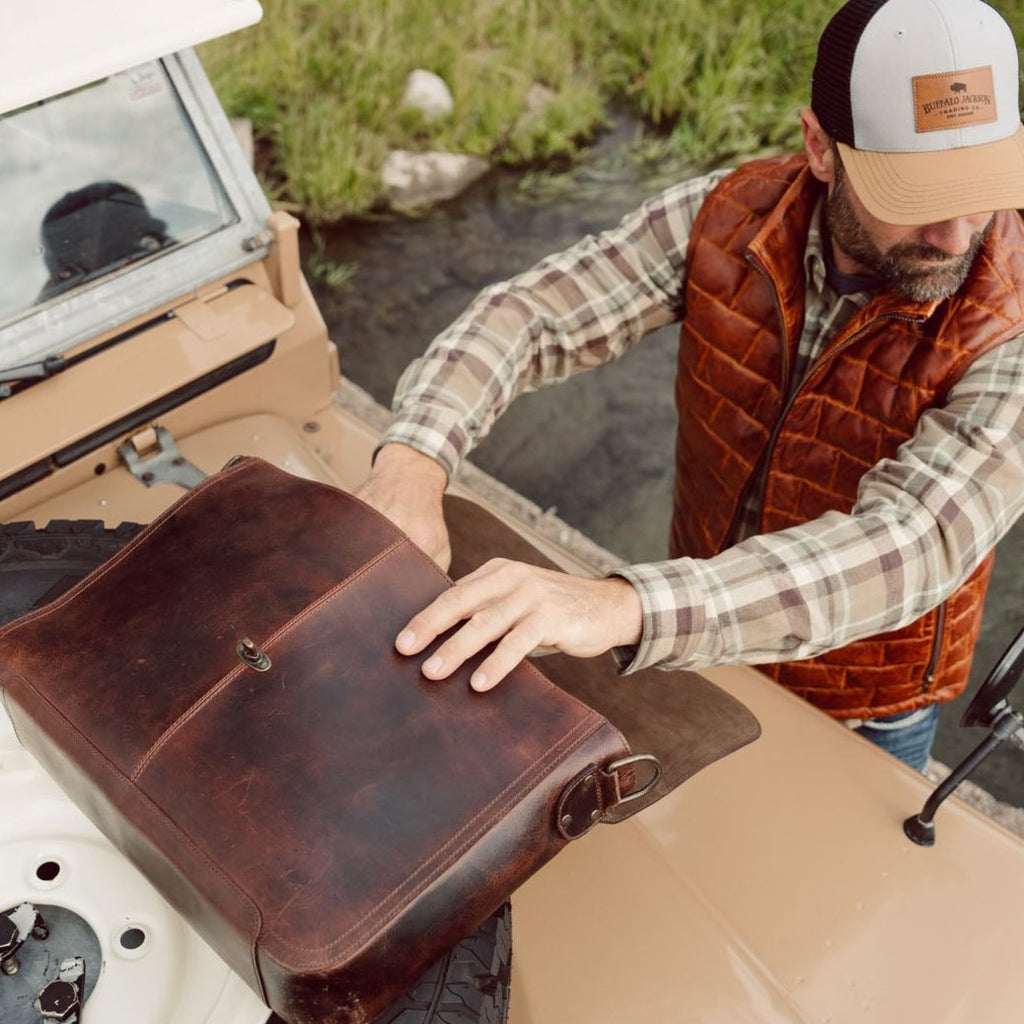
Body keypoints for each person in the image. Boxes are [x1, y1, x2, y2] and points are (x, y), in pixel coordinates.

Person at [356, 0, 1024, 772]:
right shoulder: (726, 215)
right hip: (696, 648)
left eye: (979, 185)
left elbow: (913, 543)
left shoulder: (1012, 324)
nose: (956, 234)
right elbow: (534, 314)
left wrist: (622, 605)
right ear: (820, 147)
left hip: (865, 707)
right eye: (917, 197)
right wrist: (413, 461)